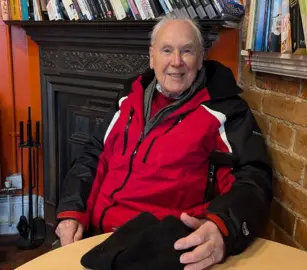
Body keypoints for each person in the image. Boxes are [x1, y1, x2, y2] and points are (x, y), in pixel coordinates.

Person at [55, 16, 273, 270]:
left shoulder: (225, 110)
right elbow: (94, 154)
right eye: (167, 50)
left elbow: (253, 179)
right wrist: (71, 210)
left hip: (157, 250)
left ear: (201, 58)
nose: (176, 62)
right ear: (151, 57)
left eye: (187, 51)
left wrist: (223, 227)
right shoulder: (128, 98)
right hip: (96, 239)